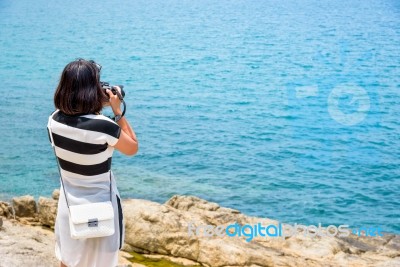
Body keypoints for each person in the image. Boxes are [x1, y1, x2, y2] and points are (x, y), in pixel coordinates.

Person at [47, 59, 138, 267]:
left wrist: (94, 106)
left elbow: (80, 124)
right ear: (92, 90)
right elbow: (132, 147)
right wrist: (116, 111)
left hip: (69, 207)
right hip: (101, 209)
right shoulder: (105, 127)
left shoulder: (53, 121)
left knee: (68, 260)